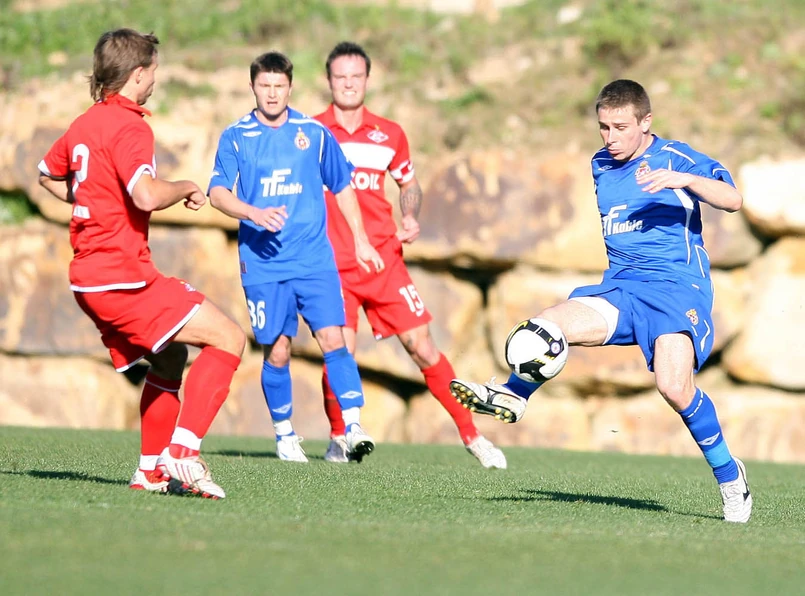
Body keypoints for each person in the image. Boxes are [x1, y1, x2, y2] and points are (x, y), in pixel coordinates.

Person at [451, 79, 752, 521]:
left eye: (621, 127)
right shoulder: (601, 164)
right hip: (622, 287)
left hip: (675, 288)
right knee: (545, 328)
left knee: (674, 387)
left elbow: (733, 199)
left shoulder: (675, 157)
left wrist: (684, 180)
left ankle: (729, 477)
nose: (611, 138)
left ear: (646, 122)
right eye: (604, 127)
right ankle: (514, 394)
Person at [37, 28, 246, 500]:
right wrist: (186, 185)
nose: (154, 79)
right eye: (152, 71)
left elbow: (47, 174)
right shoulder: (131, 127)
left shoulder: (85, 123)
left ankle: (150, 471)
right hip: (121, 277)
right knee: (229, 338)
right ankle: (182, 452)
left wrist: (92, 199)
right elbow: (145, 195)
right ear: (137, 74)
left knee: (170, 356)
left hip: (89, 280)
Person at [313, 42, 506, 469]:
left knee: (422, 347)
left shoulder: (389, 134)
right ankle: (339, 438)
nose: (348, 84)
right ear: (328, 81)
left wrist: (411, 215)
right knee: (339, 351)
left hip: (384, 261)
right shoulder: (310, 133)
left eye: (356, 76)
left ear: (367, 80)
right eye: (340, 77)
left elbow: (408, 183)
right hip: (332, 264)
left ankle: (473, 436)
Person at [208, 51, 382, 463]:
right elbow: (217, 193)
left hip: (314, 259)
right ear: (252, 87)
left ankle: (352, 426)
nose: (272, 93)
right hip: (263, 262)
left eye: (279, 86)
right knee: (278, 350)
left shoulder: (313, 133)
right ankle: (285, 434)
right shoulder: (236, 137)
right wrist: (252, 213)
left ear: (290, 87)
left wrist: (360, 240)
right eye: (264, 86)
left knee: (334, 339)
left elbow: (342, 186)